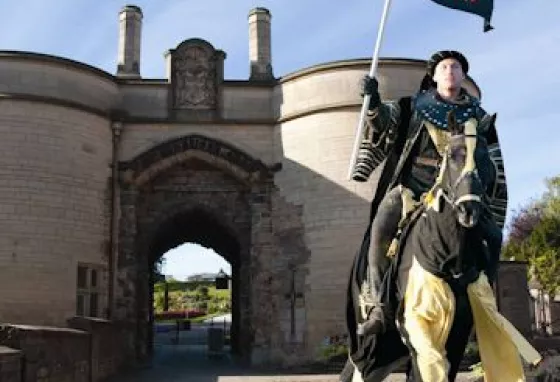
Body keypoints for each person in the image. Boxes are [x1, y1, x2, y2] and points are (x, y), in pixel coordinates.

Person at [349, 50, 508, 339]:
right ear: (434, 76)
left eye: (456, 67)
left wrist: (489, 192)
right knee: (380, 227)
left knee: (494, 237)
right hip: (413, 189)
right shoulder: (412, 106)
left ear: (463, 76)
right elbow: (383, 124)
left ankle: (484, 303)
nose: (450, 71)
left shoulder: (480, 118)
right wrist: (372, 101)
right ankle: (378, 305)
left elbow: (491, 160)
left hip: (460, 193)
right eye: (444, 67)